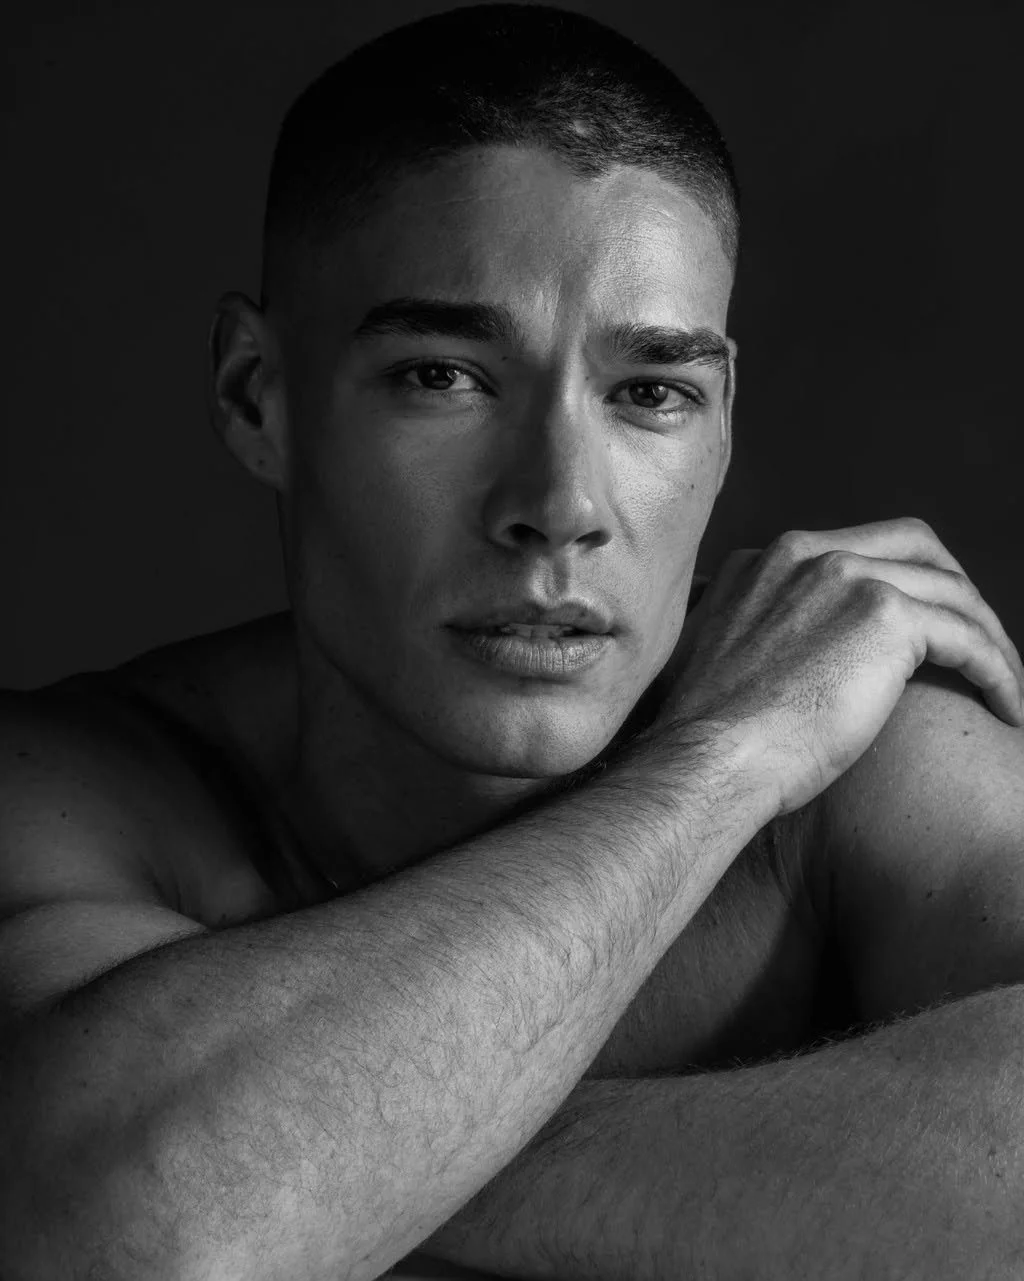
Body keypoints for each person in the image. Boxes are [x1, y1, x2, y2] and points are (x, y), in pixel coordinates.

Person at [2, 4, 1023, 1278]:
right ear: (257, 398)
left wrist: (316, 1153)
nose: (559, 503)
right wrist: (721, 763)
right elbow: (123, 1225)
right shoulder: (59, 795)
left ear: (720, 430)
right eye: (444, 375)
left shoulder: (872, 754)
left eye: (650, 393)